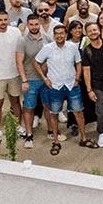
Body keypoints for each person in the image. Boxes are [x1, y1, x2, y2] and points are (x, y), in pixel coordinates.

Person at [34, 24, 88, 154]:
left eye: (62, 33)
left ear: (66, 34)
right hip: (55, 86)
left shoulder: (72, 47)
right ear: (54, 35)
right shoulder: (48, 48)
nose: (59, 35)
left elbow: (78, 63)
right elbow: (36, 62)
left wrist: (77, 79)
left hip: (71, 85)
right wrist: (45, 79)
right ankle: (56, 141)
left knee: (78, 112)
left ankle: (84, 138)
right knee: (54, 113)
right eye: (57, 33)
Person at [16, 14, 50, 146]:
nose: (34, 27)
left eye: (36, 24)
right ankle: (29, 135)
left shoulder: (46, 38)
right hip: (30, 80)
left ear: (40, 24)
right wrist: (24, 80)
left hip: (45, 80)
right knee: (29, 108)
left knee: (47, 106)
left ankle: (51, 131)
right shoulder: (22, 41)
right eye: (31, 24)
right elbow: (19, 62)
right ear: (28, 25)